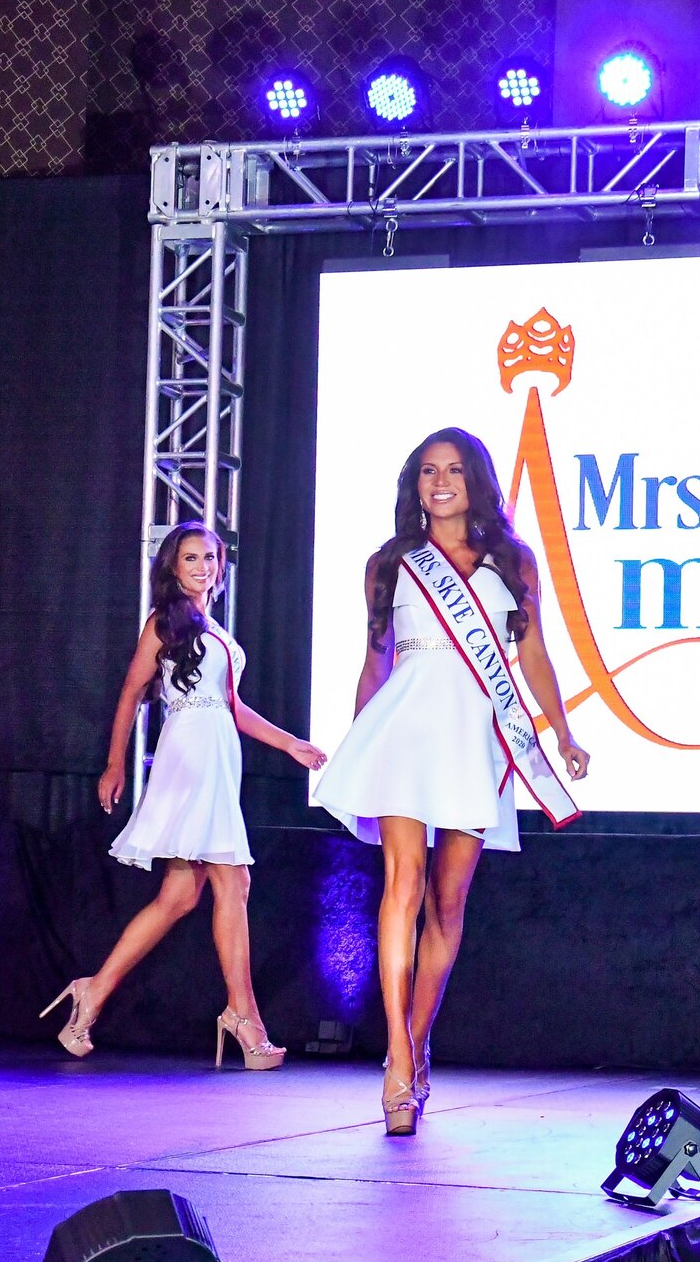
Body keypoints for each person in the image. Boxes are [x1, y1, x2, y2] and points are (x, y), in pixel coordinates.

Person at [312, 428, 590, 1134]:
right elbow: (374, 663)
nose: (441, 482)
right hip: (405, 731)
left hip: (476, 735)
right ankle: (398, 1060)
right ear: (415, 484)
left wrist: (562, 730)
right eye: (428, 471)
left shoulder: (514, 560)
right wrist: (357, 740)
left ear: (477, 481)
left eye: (455, 470)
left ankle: (420, 1032)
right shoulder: (389, 564)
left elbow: (533, 655)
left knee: (446, 902)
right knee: (400, 884)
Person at [40, 522, 326, 1069]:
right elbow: (131, 690)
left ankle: (92, 994)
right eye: (191, 558)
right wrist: (113, 764)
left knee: (180, 897)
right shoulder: (166, 622)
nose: (202, 567)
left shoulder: (212, 627)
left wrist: (291, 745)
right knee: (232, 878)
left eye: (211, 558)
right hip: (190, 753)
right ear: (173, 566)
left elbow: (233, 707)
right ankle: (244, 1017)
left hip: (217, 749)